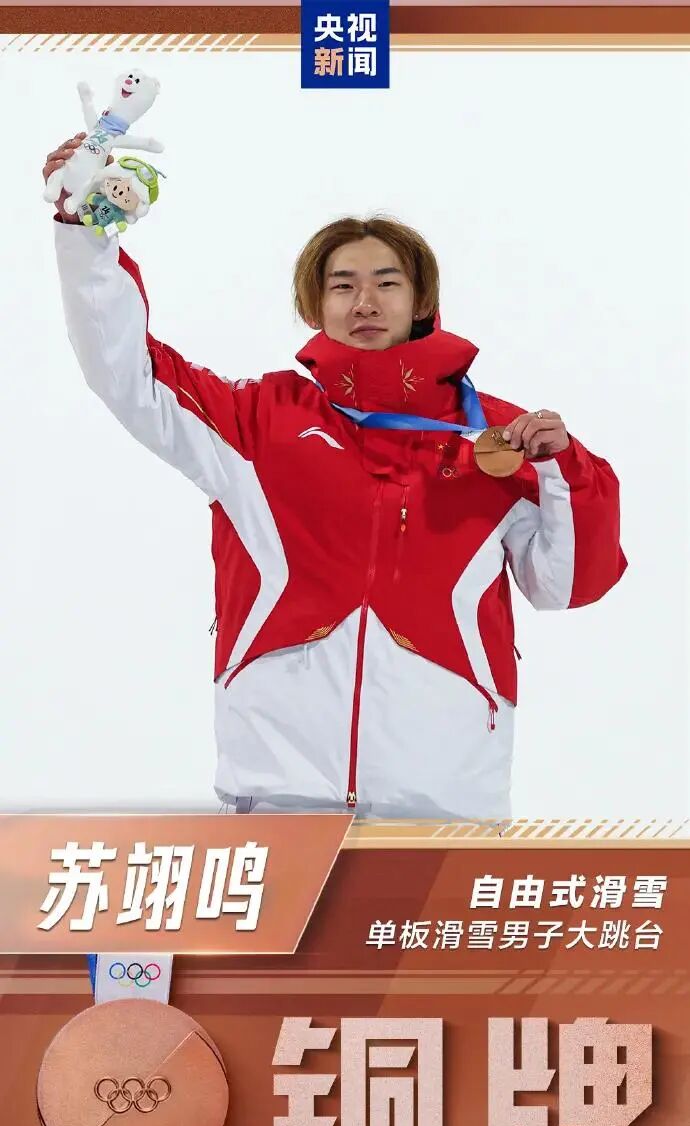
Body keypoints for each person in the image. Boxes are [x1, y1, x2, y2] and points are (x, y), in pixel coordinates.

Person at [45, 134, 626, 821]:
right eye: (342, 285)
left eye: (387, 283)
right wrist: (86, 234)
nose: (365, 302)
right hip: (277, 807)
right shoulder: (256, 422)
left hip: (445, 810)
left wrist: (565, 469)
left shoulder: (498, 438)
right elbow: (129, 372)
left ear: (421, 301)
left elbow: (566, 585)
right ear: (313, 306)